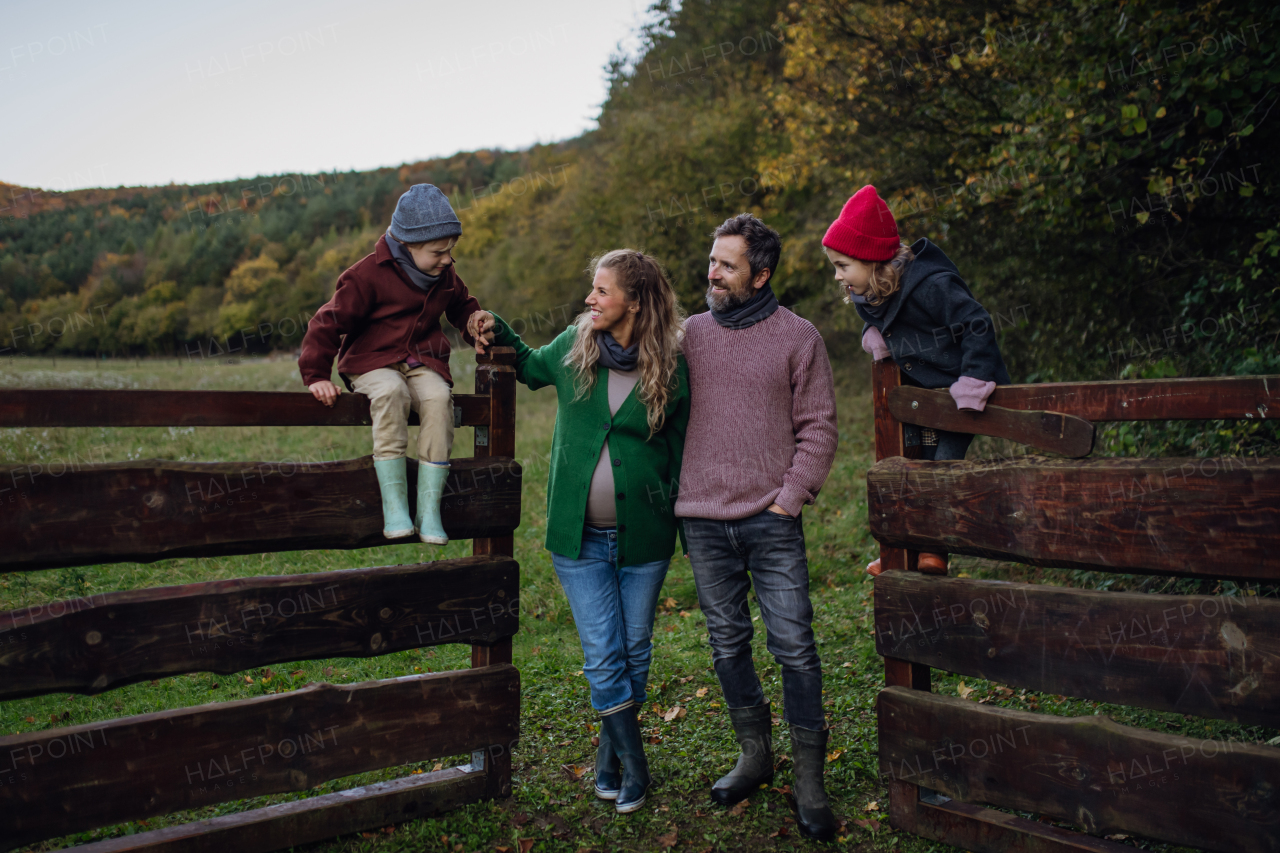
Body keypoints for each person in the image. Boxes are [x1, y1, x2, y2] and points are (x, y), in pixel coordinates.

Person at [473, 250, 689, 815]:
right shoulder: (575, 347)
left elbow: (683, 450)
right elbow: (524, 363)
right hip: (579, 538)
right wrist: (493, 323)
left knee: (634, 650)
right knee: (602, 653)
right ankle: (637, 766)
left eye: (602, 290)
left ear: (635, 302)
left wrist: (682, 518)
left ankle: (610, 758)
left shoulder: (670, 363)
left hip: (645, 537)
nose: (590, 299)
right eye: (591, 289)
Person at [675, 214, 839, 840]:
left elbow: (818, 426)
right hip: (703, 520)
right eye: (711, 261)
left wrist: (790, 498)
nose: (711, 273)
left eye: (725, 265)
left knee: (794, 643)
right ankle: (755, 754)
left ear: (761, 274)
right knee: (726, 643)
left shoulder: (799, 337)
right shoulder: (689, 335)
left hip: (772, 519)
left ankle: (809, 778)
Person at [821, 185, 1010, 575]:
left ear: (871, 260)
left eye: (843, 266)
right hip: (920, 397)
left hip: (959, 395)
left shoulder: (932, 285)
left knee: (942, 468)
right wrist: (875, 336)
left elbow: (976, 324)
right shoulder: (869, 292)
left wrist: (973, 381)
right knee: (907, 465)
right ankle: (900, 549)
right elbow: (883, 322)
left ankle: (936, 550)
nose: (839, 276)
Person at [299, 184, 494, 545]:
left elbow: (462, 305)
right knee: (391, 392)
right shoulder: (366, 275)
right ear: (407, 245)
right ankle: (395, 505)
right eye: (439, 252)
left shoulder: (444, 275)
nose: (448, 260)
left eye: (451, 251)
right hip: (372, 362)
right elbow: (327, 322)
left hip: (420, 360)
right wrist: (315, 376)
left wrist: (475, 321)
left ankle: (428, 509)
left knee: (438, 398)